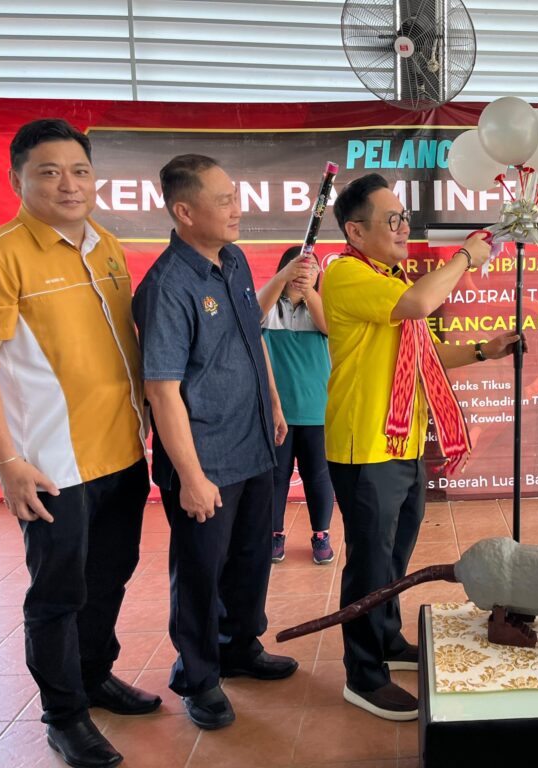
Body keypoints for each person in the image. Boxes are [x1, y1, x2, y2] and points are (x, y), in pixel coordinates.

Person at [0, 119, 158, 768]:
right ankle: (64, 714)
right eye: (49, 172)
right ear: (17, 179)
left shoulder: (105, 244)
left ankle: (94, 675)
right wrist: (8, 462)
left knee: (109, 576)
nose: (68, 184)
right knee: (57, 594)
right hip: (52, 466)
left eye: (79, 171)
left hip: (122, 452)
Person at [324, 173, 523, 721]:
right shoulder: (346, 273)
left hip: (402, 441)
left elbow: (427, 353)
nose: (403, 227)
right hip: (365, 447)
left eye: (404, 218)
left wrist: (484, 350)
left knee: (393, 556)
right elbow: (420, 303)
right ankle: (363, 675)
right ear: (355, 231)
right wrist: (466, 257)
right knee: (369, 565)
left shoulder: (386, 279)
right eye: (391, 219)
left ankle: (386, 640)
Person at [132, 154, 298, 731]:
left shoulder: (234, 260)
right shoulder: (167, 286)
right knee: (201, 572)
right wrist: (192, 477)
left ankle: (240, 646)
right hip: (203, 458)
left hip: (253, 442)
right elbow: (161, 390)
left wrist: (273, 401)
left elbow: (252, 335)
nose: (237, 209)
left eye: (235, 196)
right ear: (184, 211)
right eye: (224, 199)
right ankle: (198, 676)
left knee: (251, 558)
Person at [257, 245, 335, 565]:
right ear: (283, 269)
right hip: (277, 412)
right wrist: (282, 279)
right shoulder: (268, 306)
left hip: (317, 410)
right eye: (296, 265)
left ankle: (321, 535)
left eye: (311, 267)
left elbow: (330, 325)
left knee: (318, 476)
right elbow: (252, 315)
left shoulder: (322, 306)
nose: (304, 271)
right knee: (276, 476)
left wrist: (308, 290)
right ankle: (274, 534)